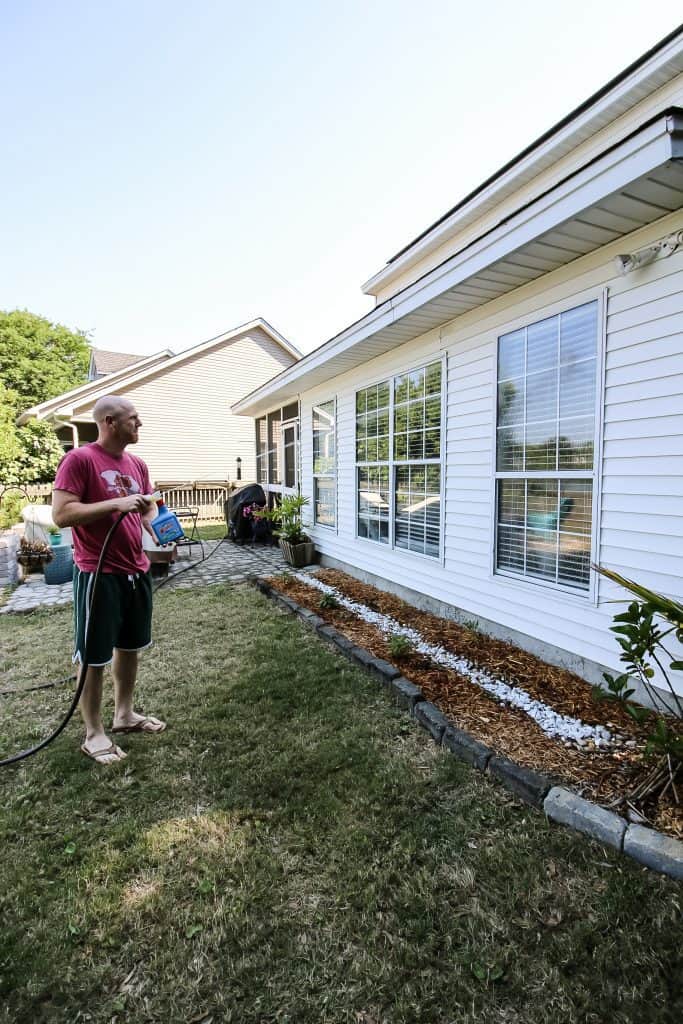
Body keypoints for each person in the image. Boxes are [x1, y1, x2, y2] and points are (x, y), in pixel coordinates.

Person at [52, 395, 166, 765]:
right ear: (110, 422)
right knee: (93, 655)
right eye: (134, 418)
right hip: (98, 573)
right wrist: (114, 505)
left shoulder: (137, 463)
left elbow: (146, 508)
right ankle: (93, 733)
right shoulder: (79, 460)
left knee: (130, 646)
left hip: (136, 569)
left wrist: (155, 524)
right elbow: (62, 514)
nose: (141, 424)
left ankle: (124, 715)